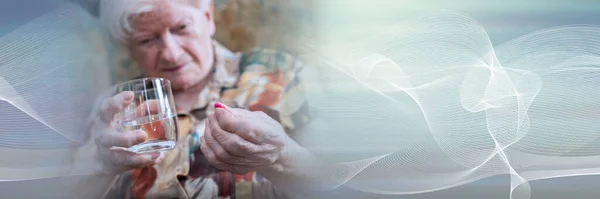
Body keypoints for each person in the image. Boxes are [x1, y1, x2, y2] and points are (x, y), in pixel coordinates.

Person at [68, 0, 327, 198]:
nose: (171, 53)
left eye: (181, 28)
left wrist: (282, 157)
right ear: (130, 48)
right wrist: (100, 168)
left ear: (207, 17)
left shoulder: (284, 75)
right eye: (147, 40)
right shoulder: (114, 109)